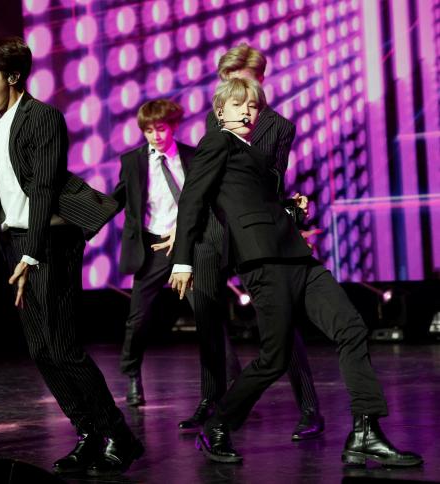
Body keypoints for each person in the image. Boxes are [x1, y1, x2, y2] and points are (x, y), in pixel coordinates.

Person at [170, 77, 422, 467]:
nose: (247, 112)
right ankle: (218, 425)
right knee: (274, 357)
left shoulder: (255, 153)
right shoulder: (216, 142)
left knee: (351, 327)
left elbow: (255, 201)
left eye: (253, 106)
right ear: (220, 112)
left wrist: (290, 207)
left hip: (296, 255)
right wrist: (183, 260)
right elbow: (192, 200)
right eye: (238, 105)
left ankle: (365, 432)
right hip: (261, 262)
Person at [0, 37, 143, 477]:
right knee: (41, 349)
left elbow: (43, 189)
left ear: (12, 76)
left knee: (63, 347)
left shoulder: (43, 118)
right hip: (15, 243)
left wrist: (33, 255)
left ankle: (119, 436)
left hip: (51, 241)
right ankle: (88, 433)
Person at [201, 43, 324, 440]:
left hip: (256, 234)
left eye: (240, 81)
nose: (233, 92)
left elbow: (271, 185)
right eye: (226, 82)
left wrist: (291, 212)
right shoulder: (215, 118)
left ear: (260, 80)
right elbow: (208, 178)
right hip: (217, 228)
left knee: (282, 325)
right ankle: (219, 399)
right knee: (206, 310)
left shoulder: (278, 127)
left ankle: (309, 408)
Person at [112, 99, 241, 427]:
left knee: (208, 314)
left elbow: (208, 202)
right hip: (152, 248)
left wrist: (183, 231)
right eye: (148, 131)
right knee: (138, 319)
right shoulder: (133, 161)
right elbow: (119, 198)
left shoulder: (194, 158)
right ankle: (132, 375)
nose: (155, 136)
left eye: (160, 129)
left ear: (173, 126)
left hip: (189, 244)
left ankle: (233, 385)